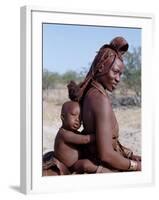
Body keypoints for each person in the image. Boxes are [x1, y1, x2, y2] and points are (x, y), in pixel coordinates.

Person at [67, 36, 141, 173]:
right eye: (115, 72)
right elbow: (106, 154)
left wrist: (130, 155)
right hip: (100, 162)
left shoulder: (92, 92)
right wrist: (136, 166)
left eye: (121, 74)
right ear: (101, 68)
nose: (118, 79)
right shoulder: (99, 100)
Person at [53, 101, 99, 174]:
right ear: (63, 117)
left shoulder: (73, 133)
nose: (78, 119)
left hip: (75, 163)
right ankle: (103, 170)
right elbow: (85, 139)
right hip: (70, 167)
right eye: (74, 115)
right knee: (85, 164)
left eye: (80, 117)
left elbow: (82, 136)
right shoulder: (64, 134)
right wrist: (100, 135)